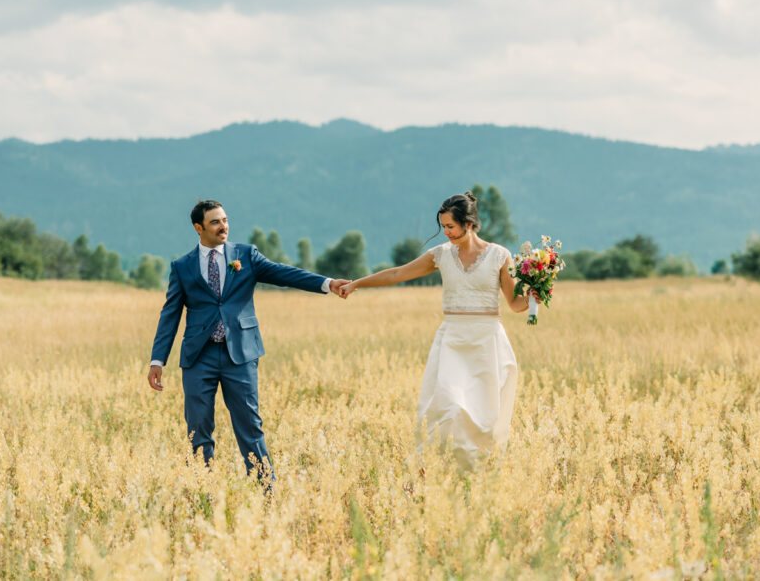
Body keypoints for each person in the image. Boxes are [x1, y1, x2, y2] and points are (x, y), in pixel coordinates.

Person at [148, 200, 350, 483]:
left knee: (250, 427)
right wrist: (158, 360)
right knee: (198, 431)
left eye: (225, 220)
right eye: (216, 222)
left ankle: (266, 495)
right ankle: (203, 495)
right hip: (197, 358)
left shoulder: (246, 255)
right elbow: (170, 314)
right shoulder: (182, 267)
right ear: (199, 228)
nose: (224, 226)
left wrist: (327, 284)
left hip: (240, 355)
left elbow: (285, 274)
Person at [338, 191, 530, 468]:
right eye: (443, 227)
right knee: (448, 406)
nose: (446, 233)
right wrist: (357, 283)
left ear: (469, 223)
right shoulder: (439, 255)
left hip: (487, 342)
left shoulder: (500, 255)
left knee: (485, 416)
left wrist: (536, 295)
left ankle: (478, 472)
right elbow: (397, 273)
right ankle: (438, 469)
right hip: (452, 341)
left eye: (451, 226)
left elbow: (514, 304)